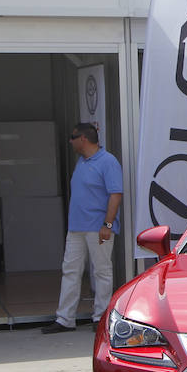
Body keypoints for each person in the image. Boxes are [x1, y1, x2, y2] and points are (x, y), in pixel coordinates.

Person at [42, 123, 122, 334]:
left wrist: (108, 224)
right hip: (77, 227)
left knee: (101, 271)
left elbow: (116, 194)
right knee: (70, 270)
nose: (70, 141)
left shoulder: (108, 162)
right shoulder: (82, 161)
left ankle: (101, 317)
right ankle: (65, 319)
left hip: (98, 227)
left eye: (73, 137)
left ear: (83, 139)